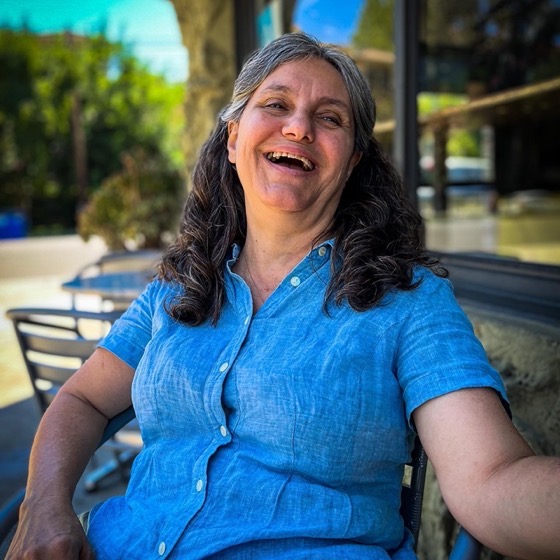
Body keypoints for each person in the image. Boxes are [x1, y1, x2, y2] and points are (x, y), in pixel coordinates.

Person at [4, 32, 559, 560]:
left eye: (330, 118)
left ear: (354, 161)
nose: (298, 128)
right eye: (276, 104)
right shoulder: (176, 289)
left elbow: (491, 480)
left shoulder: (408, 302)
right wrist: (42, 506)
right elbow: (81, 400)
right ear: (233, 137)